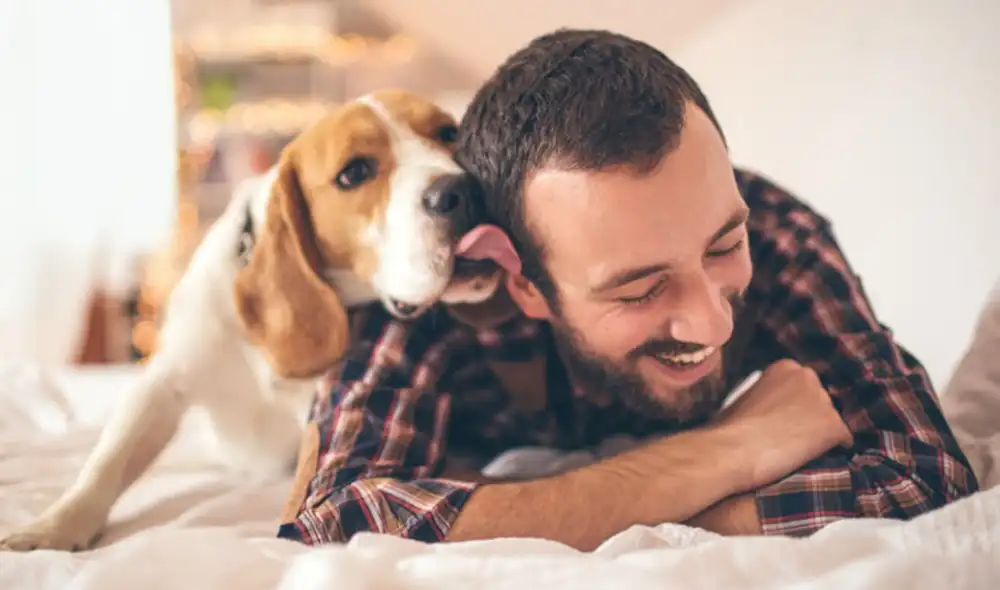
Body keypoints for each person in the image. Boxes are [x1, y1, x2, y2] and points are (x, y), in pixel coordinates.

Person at [276, 29, 978, 551]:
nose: (711, 324)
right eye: (639, 290)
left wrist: (530, 515)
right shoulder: (439, 282)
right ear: (522, 283)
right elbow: (335, 525)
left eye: (724, 246)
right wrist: (727, 451)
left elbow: (925, 477)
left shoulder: (779, 232)